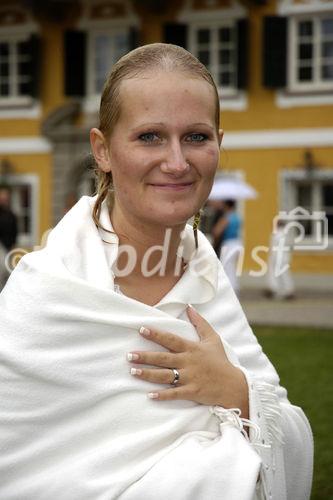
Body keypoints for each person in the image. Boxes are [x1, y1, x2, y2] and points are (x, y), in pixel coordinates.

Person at [0, 44, 312, 499]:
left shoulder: (208, 275)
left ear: (218, 145)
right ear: (102, 150)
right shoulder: (43, 291)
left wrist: (236, 392)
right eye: (149, 136)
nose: (177, 162)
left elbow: (288, 430)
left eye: (197, 137)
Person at [212, 199, 243, 294]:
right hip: (238, 243)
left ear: (226, 205)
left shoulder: (226, 217)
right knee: (232, 268)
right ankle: (235, 288)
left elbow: (216, 231)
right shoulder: (237, 217)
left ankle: (231, 291)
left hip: (229, 244)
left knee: (227, 268)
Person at [265, 219, 295, 300]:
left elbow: (273, 248)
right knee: (284, 274)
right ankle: (286, 290)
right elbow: (291, 247)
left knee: (277, 274)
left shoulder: (275, 234)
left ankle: (279, 290)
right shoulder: (287, 235)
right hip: (285, 257)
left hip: (277, 257)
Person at [0, 184, 18, 290]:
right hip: (0, 246)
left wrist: (13, 245)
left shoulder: (11, 214)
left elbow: (15, 231)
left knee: (8, 272)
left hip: (8, 247)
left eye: (5, 197)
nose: (4, 199)